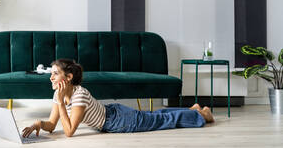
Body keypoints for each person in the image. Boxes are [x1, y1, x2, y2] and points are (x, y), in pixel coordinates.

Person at [22, 59, 214, 138]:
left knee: (159, 120)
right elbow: (53, 124)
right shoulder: (58, 95)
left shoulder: (78, 95)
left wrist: (62, 101)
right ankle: (192, 110)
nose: (51, 77)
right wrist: (39, 124)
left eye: (55, 74)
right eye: (51, 73)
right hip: (113, 113)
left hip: (117, 121)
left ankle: (202, 116)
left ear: (68, 78)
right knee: (154, 116)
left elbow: (70, 131)